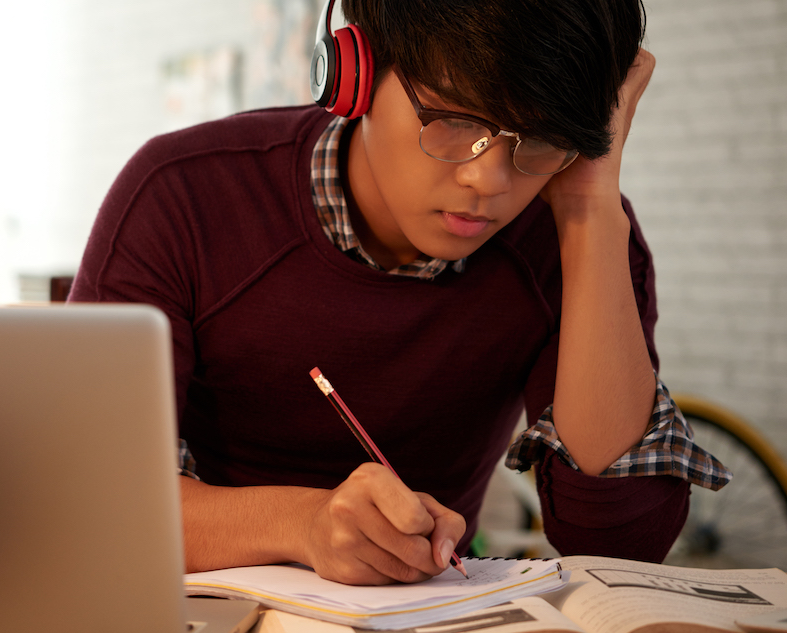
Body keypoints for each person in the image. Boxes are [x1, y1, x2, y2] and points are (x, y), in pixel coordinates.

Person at [70, 0, 730, 586]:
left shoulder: (577, 236)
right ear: (356, 72)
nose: (487, 179)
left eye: (540, 140)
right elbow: (88, 504)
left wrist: (587, 205)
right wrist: (303, 523)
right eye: (451, 118)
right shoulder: (182, 197)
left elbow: (619, 544)